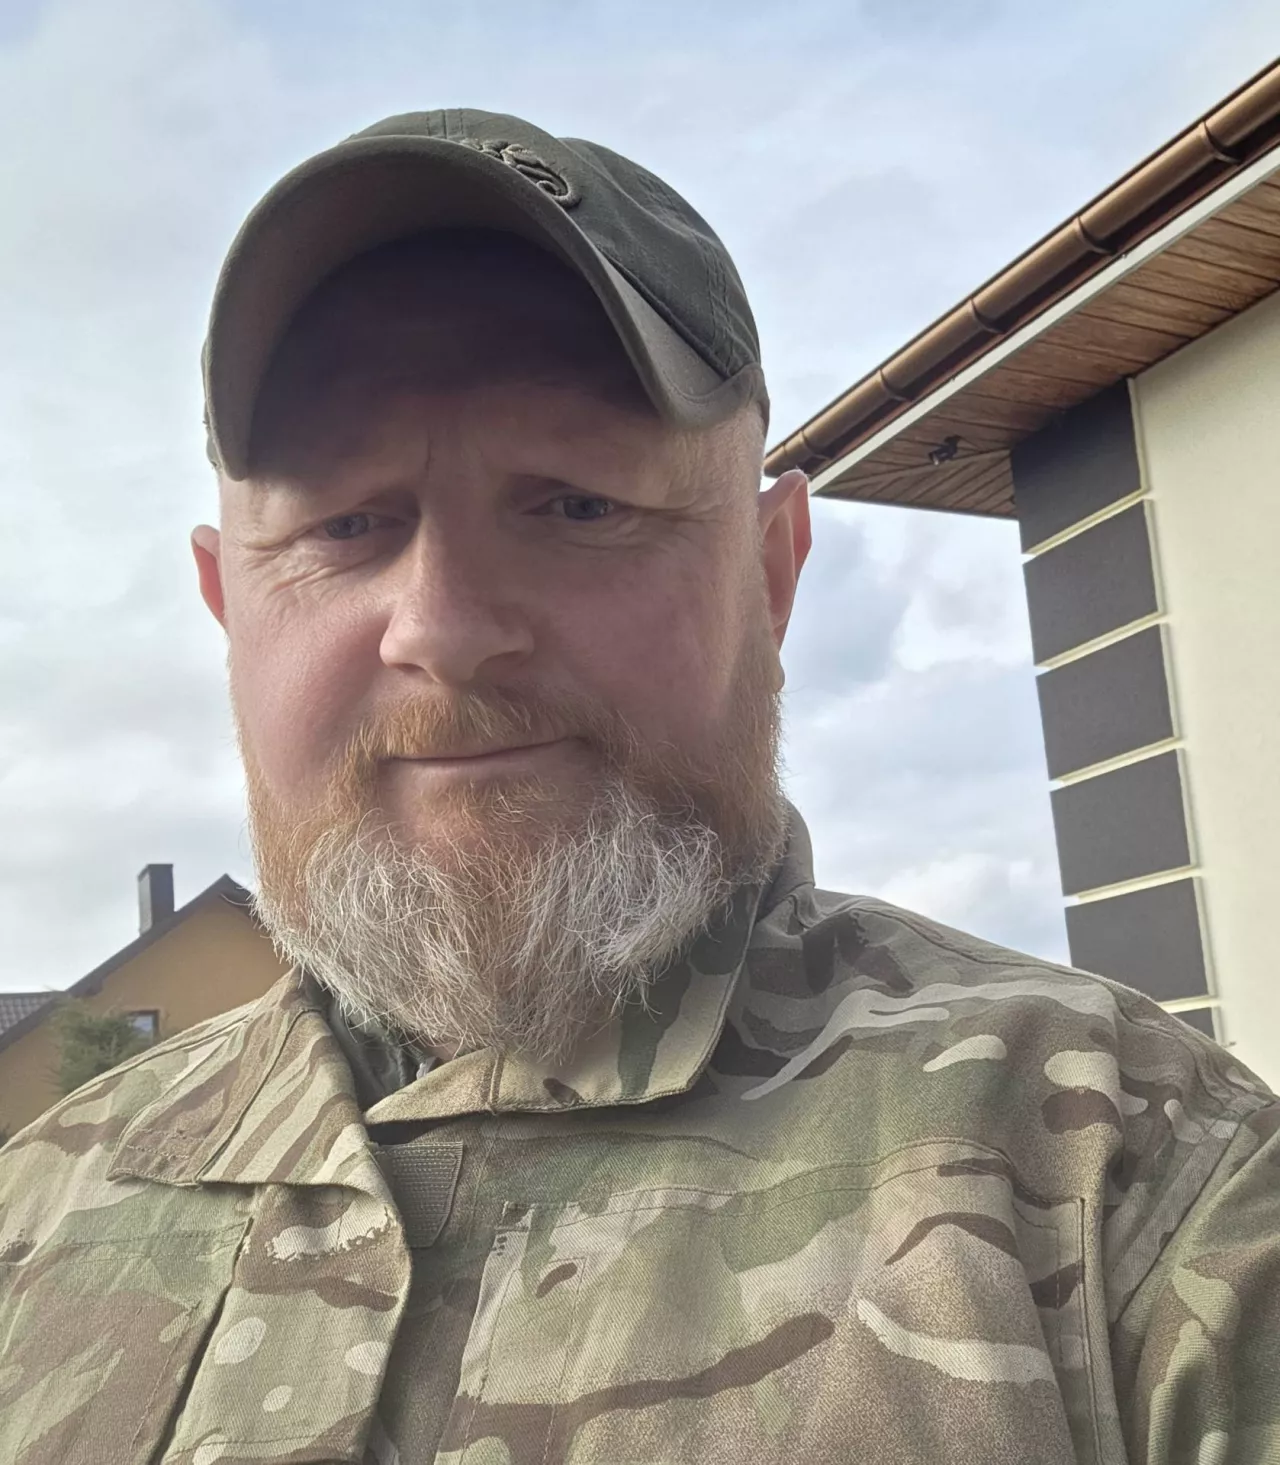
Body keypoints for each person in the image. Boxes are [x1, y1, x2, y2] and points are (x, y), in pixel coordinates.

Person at [0, 110, 1276, 1465]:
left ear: (772, 573)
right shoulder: (34, 1217)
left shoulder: (1142, 1193)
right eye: (345, 526)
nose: (444, 628)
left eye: (578, 505)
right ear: (227, 605)